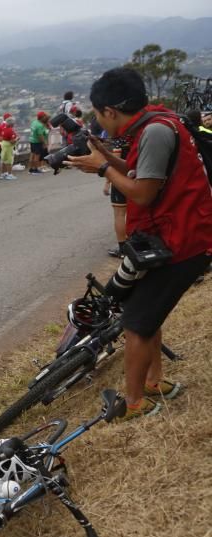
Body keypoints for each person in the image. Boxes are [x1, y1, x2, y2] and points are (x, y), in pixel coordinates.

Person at [67, 66, 212, 420]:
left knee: (135, 321)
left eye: (101, 116)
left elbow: (143, 193)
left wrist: (103, 170)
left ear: (111, 111)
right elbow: (139, 172)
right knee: (149, 314)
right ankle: (153, 381)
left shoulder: (156, 132)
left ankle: (132, 403)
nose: (102, 122)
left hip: (183, 241)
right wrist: (105, 157)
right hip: (175, 234)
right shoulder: (154, 124)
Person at [0, 116, 18, 180]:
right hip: (8, 146)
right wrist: (17, 139)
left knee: (3, 160)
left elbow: (1, 138)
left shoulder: (3, 128)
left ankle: (2, 174)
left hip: (3, 145)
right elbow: (12, 141)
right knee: (9, 161)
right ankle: (9, 174)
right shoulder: (10, 130)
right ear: (12, 124)